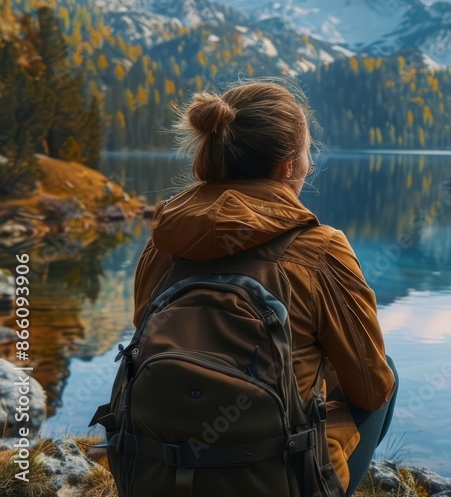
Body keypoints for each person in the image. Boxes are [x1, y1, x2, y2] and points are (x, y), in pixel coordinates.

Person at [131, 80, 398, 496]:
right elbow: (371, 386)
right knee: (386, 372)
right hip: (277, 482)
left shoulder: (164, 241)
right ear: (287, 166)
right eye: (308, 153)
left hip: (154, 475)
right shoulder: (320, 248)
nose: (309, 165)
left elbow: (148, 340)